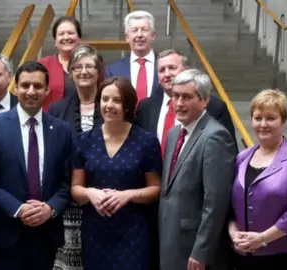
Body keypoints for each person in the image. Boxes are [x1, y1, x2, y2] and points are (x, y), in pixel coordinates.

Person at [0, 61, 73, 270]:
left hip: (46, 235)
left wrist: (50, 208)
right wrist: (18, 209)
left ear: (47, 90)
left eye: (37, 86)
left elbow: (67, 181)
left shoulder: (62, 130)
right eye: (25, 85)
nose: (31, 91)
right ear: (15, 87)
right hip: (5, 233)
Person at [72, 76, 162, 270]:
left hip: (134, 230)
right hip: (95, 230)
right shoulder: (84, 141)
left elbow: (156, 188)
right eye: (105, 99)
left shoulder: (146, 142)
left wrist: (128, 195)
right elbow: (76, 188)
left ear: (128, 105)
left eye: (117, 100)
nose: (109, 105)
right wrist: (90, 193)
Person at [228, 89, 287, 270]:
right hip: (245, 255)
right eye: (258, 118)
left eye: (270, 118)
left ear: (283, 122)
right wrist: (233, 233)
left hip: (286, 257)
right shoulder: (241, 158)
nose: (263, 124)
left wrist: (262, 239)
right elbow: (230, 205)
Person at [159, 69, 236, 270]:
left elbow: (215, 202)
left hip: (194, 248)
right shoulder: (175, 133)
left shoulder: (215, 136)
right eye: (175, 96)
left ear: (204, 100)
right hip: (170, 239)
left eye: (187, 97)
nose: (179, 103)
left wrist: (202, 250)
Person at [48, 44, 104, 270]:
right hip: (68, 200)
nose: (84, 71)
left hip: (103, 198)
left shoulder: (112, 104)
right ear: (70, 73)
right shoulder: (56, 109)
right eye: (77, 67)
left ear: (99, 72)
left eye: (90, 66)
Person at [134, 49, 237, 154]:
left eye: (172, 68)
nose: (167, 74)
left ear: (187, 70)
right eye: (161, 70)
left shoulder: (214, 107)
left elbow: (227, 152)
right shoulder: (145, 107)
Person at [105, 11, 162, 101]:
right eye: (134, 30)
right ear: (127, 37)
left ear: (153, 35)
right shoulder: (112, 70)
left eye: (144, 30)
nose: (139, 35)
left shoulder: (165, 67)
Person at [39, 16, 82, 111]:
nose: (66, 37)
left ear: (79, 39)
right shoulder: (43, 65)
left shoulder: (92, 64)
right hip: (50, 121)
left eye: (71, 33)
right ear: (55, 41)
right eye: (61, 34)